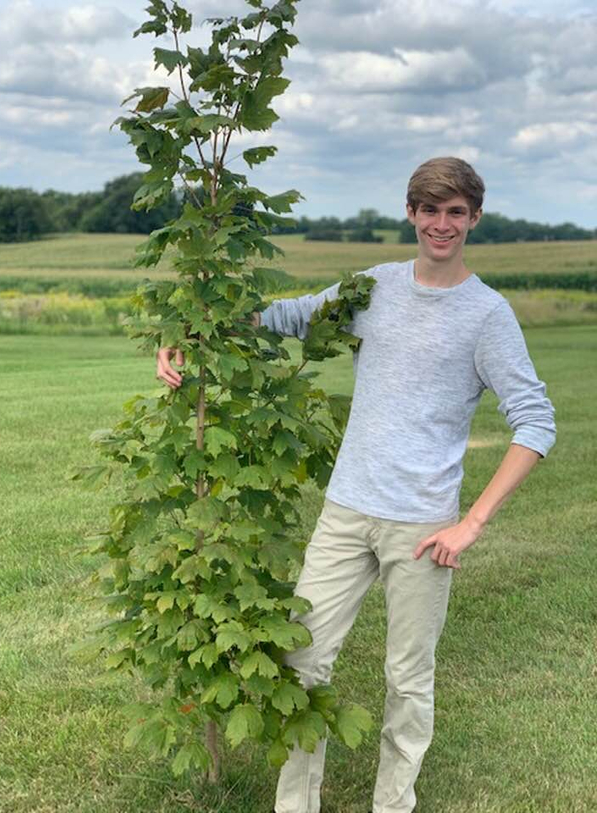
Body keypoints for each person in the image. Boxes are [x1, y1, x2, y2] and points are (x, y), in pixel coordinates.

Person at [156, 156, 556, 813]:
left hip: (423, 528)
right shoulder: (373, 288)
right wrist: (189, 335)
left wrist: (471, 522)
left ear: (475, 218)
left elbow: (536, 423)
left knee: (407, 679)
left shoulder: (487, 316)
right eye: (430, 209)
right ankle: (295, 805)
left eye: (456, 211)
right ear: (410, 213)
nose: (442, 223)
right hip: (346, 512)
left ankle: (393, 804)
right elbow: (284, 318)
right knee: (299, 664)